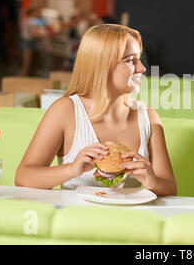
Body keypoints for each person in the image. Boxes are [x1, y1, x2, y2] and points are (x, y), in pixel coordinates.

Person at [15, 24, 177, 196]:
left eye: (139, 59)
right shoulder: (65, 111)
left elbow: (170, 188)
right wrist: (71, 169)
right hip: (76, 218)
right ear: (103, 65)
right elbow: (23, 177)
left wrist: (152, 181)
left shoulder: (148, 117)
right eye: (131, 60)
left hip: (130, 221)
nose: (142, 69)